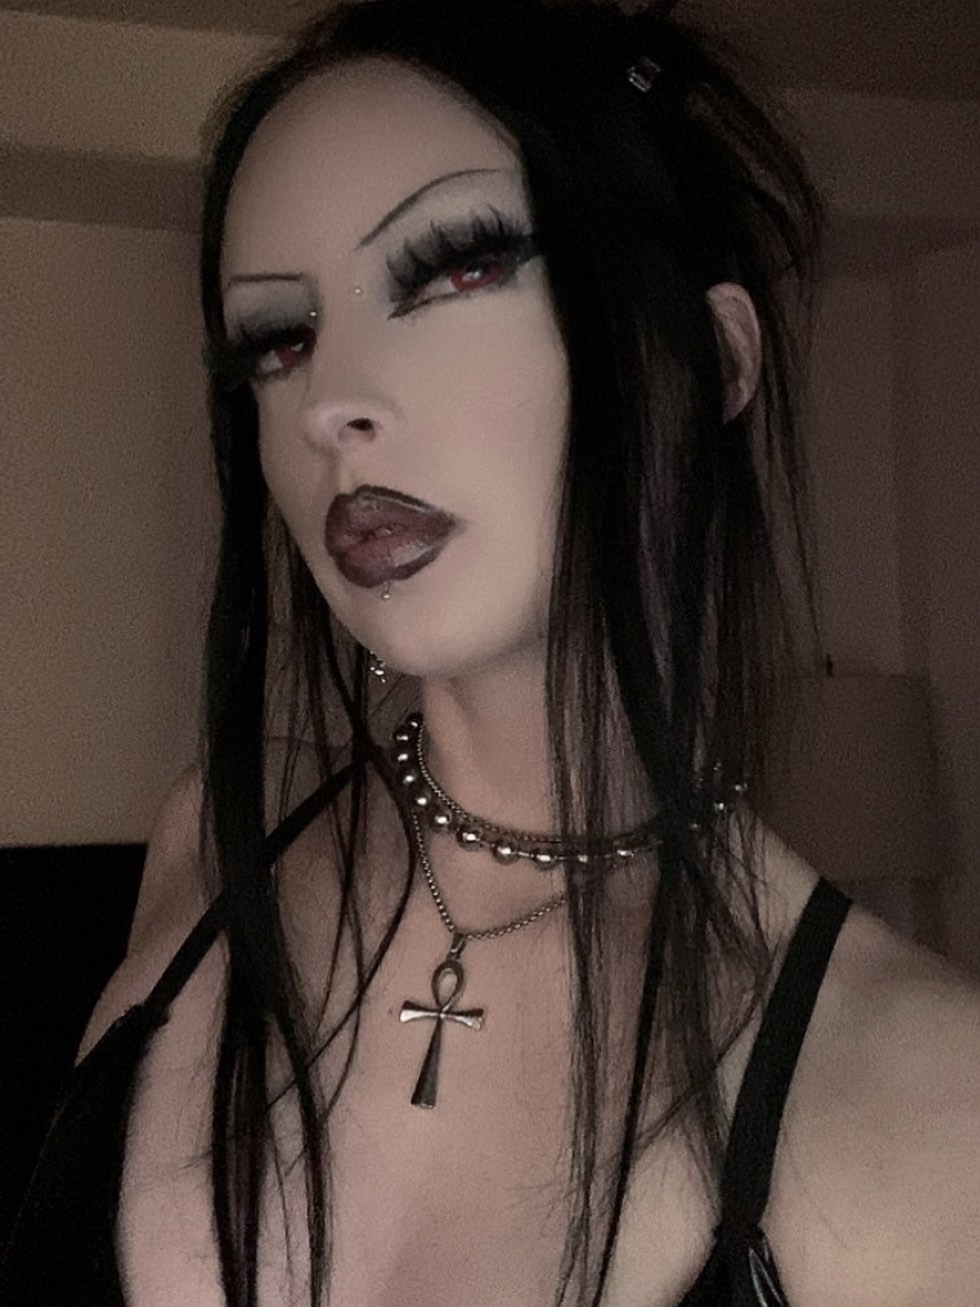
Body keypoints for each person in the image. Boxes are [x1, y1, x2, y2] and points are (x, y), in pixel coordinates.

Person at [3, 1, 979, 1304]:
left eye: (456, 270)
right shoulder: (212, 845)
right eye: (278, 339)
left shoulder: (935, 1105)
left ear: (710, 358)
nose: (333, 404)